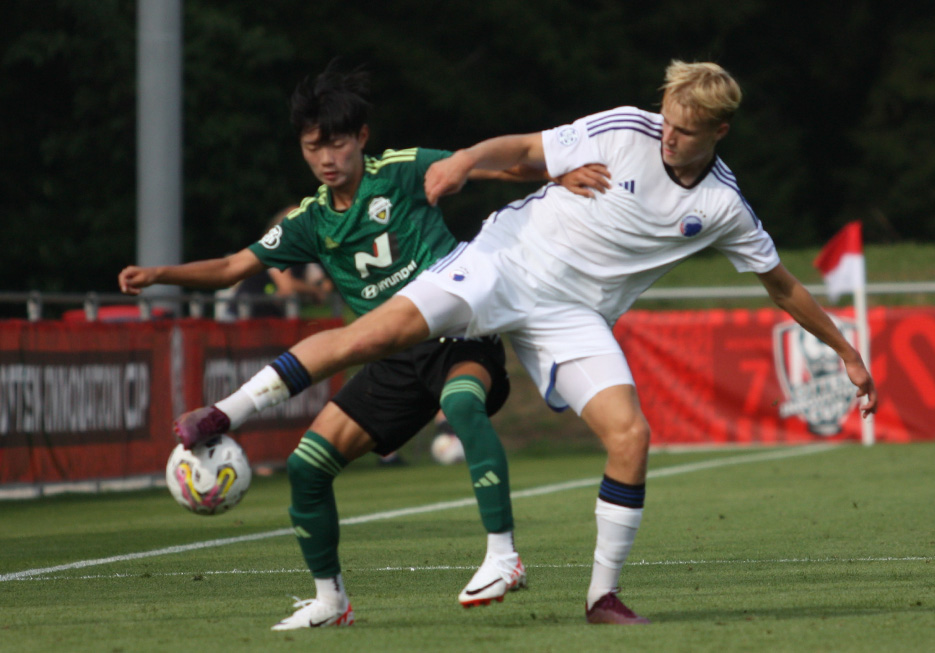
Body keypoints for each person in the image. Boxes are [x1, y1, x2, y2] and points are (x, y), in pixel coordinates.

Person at [174, 60, 878, 625]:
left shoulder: (723, 205)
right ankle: (223, 414)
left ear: (719, 131)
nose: (667, 135)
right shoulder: (624, 127)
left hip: (571, 315)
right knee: (374, 332)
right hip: (503, 262)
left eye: (685, 130)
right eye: (666, 120)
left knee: (631, 436)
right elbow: (525, 149)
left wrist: (846, 350)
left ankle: (601, 598)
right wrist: (465, 161)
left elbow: (781, 285)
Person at [118, 59, 607, 629]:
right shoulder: (308, 221)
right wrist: (160, 276)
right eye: (312, 148)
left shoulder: (399, 173)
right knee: (306, 467)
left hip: (456, 333)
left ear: (361, 139)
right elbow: (232, 267)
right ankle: (331, 601)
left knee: (462, 404)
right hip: (391, 359)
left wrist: (556, 177)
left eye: (337, 144)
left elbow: (486, 169)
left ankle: (504, 556)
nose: (327, 160)